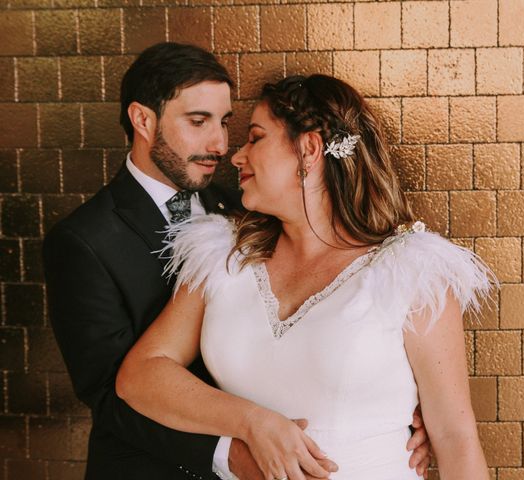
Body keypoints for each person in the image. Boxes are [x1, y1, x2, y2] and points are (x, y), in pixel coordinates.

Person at [44, 43, 431, 480]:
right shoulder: (82, 240)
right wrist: (232, 452)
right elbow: (110, 396)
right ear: (143, 120)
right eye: (198, 121)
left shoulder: (248, 209)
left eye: (226, 123)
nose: (222, 145)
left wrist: (393, 399)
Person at [116, 74, 495, 479]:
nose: (236, 156)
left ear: (309, 149)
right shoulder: (223, 257)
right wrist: (251, 422)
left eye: (256, 138)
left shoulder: (412, 273)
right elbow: (141, 374)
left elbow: (455, 438)